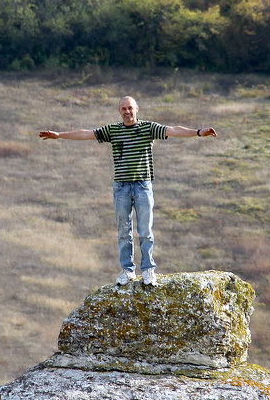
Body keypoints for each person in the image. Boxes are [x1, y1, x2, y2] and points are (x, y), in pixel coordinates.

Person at [40, 96, 217, 286]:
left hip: (142, 185)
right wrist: (60, 135)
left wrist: (199, 132)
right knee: (124, 231)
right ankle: (127, 270)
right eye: (123, 108)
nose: (127, 111)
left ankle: (149, 270)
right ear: (119, 111)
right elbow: (86, 134)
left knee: (145, 230)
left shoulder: (148, 128)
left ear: (137, 109)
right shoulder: (113, 130)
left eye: (130, 108)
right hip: (122, 186)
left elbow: (173, 130)